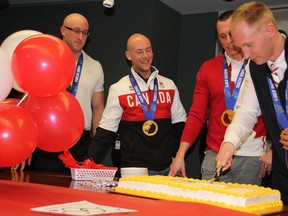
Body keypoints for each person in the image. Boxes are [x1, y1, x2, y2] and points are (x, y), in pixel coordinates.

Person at [169, 10, 270, 185]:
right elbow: (197, 114)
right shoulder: (208, 69)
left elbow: (274, 110)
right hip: (214, 154)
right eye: (223, 37)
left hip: (251, 156)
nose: (229, 42)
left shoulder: (260, 64)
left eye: (231, 34)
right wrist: (180, 154)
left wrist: (273, 151)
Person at [216, 2, 288, 204]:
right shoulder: (254, 68)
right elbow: (247, 111)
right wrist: (230, 143)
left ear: (270, 30)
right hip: (283, 174)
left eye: (249, 45)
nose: (246, 55)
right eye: (241, 47)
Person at [88, 33, 186, 176]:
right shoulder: (119, 89)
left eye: (148, 50)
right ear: (128, 55)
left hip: (167, 169)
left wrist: (176, 156)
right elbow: (106, 132)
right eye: (139, 52)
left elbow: (180, 124)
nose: (145, 56)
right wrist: (88, 163)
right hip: (134, 171)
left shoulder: (169, 85)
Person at [28, 13, 105, 172]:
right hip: (47, 137)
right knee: (45, 191)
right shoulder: (45, 61)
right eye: (76, 31)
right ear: (63, 30)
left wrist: (96, 149)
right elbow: (30, 100)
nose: (80, 37)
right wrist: (27, 143)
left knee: (77, 193)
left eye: (85, 32)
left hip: (81, 143)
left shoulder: (95, 66)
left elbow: (98, 108)